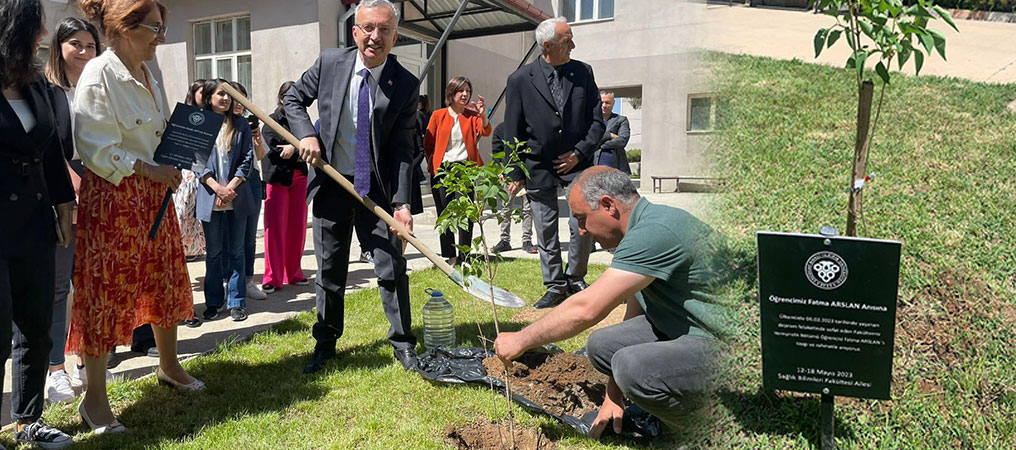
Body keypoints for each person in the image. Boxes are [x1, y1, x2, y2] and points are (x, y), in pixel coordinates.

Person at [495, 167, 725, 437]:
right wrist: (612, 397)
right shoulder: (640, 230)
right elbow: (634, 315)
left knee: (633, 367)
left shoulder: (655, 232)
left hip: (732, 348)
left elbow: (586, 309)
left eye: (582, 219)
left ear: (608, 205)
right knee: (603, 345)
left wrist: (521, 340)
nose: (581, 231)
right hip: (689, 329)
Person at [71, 0, 205, 435]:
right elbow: (97, 148)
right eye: (155, 29)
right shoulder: (99, 74)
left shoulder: (152, 71)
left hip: (154, 195)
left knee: (165, 277)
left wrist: (176, 156)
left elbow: (159, 129)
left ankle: (169, 366)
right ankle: (94, 401)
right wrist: (151, 169)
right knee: (106, 293)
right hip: (114, 201)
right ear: (126, 29)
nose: (162, 37)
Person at [284, 0, 420, 374]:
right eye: (368, 28)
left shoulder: (405, 85)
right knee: (330, 271)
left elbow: (403, 150)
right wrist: (306, 134)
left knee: (391, 267)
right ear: (355, 31)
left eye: (385, 30)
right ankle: (325, 344)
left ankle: (403, 343)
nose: (375, 37)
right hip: (331, 184)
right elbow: (293, 99)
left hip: (374, 190)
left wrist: (402, 204)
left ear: (396, 36)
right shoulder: (331, 63)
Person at [0, 1, 76, 446]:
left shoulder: (36, 86)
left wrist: (64, 205)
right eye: (37, 25)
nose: (44, 32)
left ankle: (28, 420)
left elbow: (49, 150)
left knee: (34, 323)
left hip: (34, 219)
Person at [503, 17, 605, 309]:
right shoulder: (520, 80)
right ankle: (555, 285)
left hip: (576, 163)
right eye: (567, 40)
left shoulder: (583, 72)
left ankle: (575, 278)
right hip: (538, 166)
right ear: (547, 45)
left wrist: (580, 152)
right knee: (544, 227)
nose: (573, 44)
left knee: (581, 224)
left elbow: (596, 121)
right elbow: (513, 129)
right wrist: (515, 171)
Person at [42, 16, 101, 405]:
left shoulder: (98, 87)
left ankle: (84, 357)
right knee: (58, 285)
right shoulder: (46, 90)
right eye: (74, 44)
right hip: (60, 187)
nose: (83, 51)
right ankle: (54, 370)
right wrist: (70, 182)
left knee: (89, 283)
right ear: (58, 47)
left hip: (98, 184)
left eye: (89, 45)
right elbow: (47, 141)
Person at [196, 79, 256, 322]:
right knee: (213, 253)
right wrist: (216, 188)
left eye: (229, 95)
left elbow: (248, 159)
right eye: (221, 94)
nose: (225, 98)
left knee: (237, 252)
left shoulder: (241, 124)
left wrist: (230, 188)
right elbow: (197, 161)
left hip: (236, 196)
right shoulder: (200, 124)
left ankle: (236, 302)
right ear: (210, 97)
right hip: (211, 197)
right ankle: (213, 301)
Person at [423, 76, 491, 266]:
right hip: (443, 170)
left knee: (466, 213)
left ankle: (465, 256)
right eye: (461, 90)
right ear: (451, 93)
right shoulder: (438, 115)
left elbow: (485, 131)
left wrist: (483, 114)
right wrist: (433, 163)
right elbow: (428, 143)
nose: (465, 94)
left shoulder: (472, 115)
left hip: (465, 168)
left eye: (468, 91)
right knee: (445, 214)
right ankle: (450, 256)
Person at [260, 80, 310, 293]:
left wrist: (294, 148)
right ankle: (272, 277)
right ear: (281, 99)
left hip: (300, 177)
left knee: (297, 228)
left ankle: (294, 273)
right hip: (278, 178)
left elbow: (312, 144)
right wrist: (297, 148)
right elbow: (275, 150)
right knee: (275, 229)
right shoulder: (271, 121)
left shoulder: (302, 120)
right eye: (288, 97)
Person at [230, 81, 269, 300]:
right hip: (231, 181)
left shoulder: (248, 124)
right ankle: (232, 281)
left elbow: (260, 156)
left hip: (252, 179)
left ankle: (248, 280)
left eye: (242, 99)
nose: (238, 103)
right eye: (235, 98)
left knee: (250, 235)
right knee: (232, 235)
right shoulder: (224, 125)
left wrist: (257, 140)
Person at [489, 122, 536, 254]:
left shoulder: (528, 128)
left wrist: (524, 176)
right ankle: (504, 240)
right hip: (507, 175)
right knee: (506, 208)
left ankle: (527, 240)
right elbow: (497, 152)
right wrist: (500, 171)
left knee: (528, 208)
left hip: (527, 174)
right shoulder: (501, 129)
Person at [175, 79, 208, 262]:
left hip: (206, 171)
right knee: (183, 212)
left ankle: (194, 249)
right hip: (187, 171)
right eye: (202, 93)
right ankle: (181, 249)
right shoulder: (185, 115)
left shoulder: (214, 116)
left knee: (199, 218)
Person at [592, 90, 631, 174]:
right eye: (602, 102)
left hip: (616, 169)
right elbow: (586, 138)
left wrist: (597, 145)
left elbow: (622, 141)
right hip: (593, 169)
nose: (604, 105)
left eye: (607, 102)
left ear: (613, 103)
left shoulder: (621, 120)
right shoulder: (590, 121)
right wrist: (609, 135)